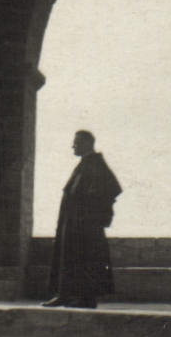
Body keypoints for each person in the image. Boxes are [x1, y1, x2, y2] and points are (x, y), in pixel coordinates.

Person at [42, 130, 122, 309]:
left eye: (76, 143)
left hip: (85, 225)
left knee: (86, 260)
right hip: (72, 223)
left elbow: (111, 189)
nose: (73, 146)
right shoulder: (85, 164)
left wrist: (89, 213)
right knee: (68, 258)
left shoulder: (96, 164)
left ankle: (85, 298)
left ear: (86, 143)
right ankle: (64, 295)